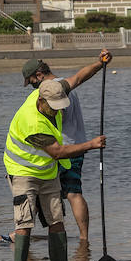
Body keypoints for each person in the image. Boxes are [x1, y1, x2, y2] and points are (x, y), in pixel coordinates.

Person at [3, 77, 106, 261]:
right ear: (41, 101)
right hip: (23, 172)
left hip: (47, 172)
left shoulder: (50, 91)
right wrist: (91, 145)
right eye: (54, 107)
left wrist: (98, 63)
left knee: (57, 219)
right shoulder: (32, 122)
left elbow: (77, 78)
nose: (59, 111)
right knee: (25, 222)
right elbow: (58, 152)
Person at [18, 51, 113, 245]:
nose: (33, 88)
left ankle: (20, 236)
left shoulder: (48, 91)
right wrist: (99, 63)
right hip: (79, 146)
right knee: (74, 193)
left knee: (36, 192)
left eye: (32, 82)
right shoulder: (64, 84)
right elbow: (80, 76)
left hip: (60, 150)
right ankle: (84, 239)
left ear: (39, 76)